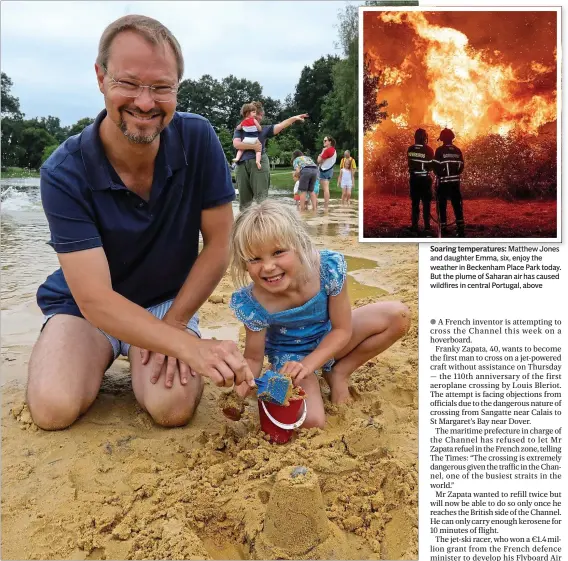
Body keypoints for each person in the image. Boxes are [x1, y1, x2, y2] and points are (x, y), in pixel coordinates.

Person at [27, 15, 255, 432]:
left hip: (169, 301)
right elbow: (95, 299)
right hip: (85, 309)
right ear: (100, 77)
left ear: (177, 88)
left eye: (161, 87)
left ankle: (141, 350)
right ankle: (81, 351)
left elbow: (220, 245)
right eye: (128, 83)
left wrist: (175, 326)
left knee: (172, 409)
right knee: (52, 408)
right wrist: (188, 349)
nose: (146, 102)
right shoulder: (63, 172)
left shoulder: (199, 140)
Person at [227, 200, 411, 428]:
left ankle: (339, 373)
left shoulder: (326, 270)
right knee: (311, 421)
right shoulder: (253, 302)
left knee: (398, 315)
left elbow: (343, 330)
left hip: (331, 339)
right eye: (255, 259)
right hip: (291, 362)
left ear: (300, 245)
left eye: (278, 252)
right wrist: (238, 394)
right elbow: (254, 358)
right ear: (244, 264)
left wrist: (311, 363)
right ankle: (315, 378)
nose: (268, 267)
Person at [232, 102, 308, 210]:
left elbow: (281, 125)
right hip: (242, 165)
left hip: (259, 164)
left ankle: (263, 225)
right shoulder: (240, 129)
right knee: (244, 204)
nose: (260, 117)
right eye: (258, 114)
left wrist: (294, 118)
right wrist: (254, 147)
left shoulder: (264, 129)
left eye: (260, 115)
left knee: (261, 201)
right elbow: (236, 144)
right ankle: (244, 225)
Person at [433, 128, 465, 237]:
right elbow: (461, 166)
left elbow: (435, 167)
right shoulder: (458, 150)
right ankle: (460, 229)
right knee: (457, 205)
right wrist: (455, 174)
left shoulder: (439, 151)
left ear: (442, 139)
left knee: (442, 205)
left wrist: (440, 175)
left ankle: (443, 228)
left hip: (443, 183)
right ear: (452, 138)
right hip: (455, 183)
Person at [407, 128, 434, 233]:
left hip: (414, 180)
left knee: (415, 203)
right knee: (426, 204)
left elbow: (410, 164)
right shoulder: (429, 150)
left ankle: (414, 226)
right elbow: (431, 166)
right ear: (425, 137)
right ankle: (427, 227)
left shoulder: (410, 149)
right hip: (425, 180)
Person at [233, 103, 262, 170]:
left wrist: (241, 127)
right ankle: (258, 161)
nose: (255, 114)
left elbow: (238, 128)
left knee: (241, 149)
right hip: (255, 139)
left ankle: (237, 158)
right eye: (254, 112)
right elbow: (259, 128)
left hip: (246, 139)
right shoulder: (254, 120)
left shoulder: (243, 122)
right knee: (258, 151)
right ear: (248, 113)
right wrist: (259, 129)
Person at [317, 136, 337, 210]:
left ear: (330, 142)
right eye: (324, 140)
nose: (324, 142)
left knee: (325, 189)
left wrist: (322, 152)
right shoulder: (333, 150)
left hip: (324, 170)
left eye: (325, 140)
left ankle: (326, 206)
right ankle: (326, 205)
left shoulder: (327, 150)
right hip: (330, 170)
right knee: (326, 188)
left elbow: (319, 160)